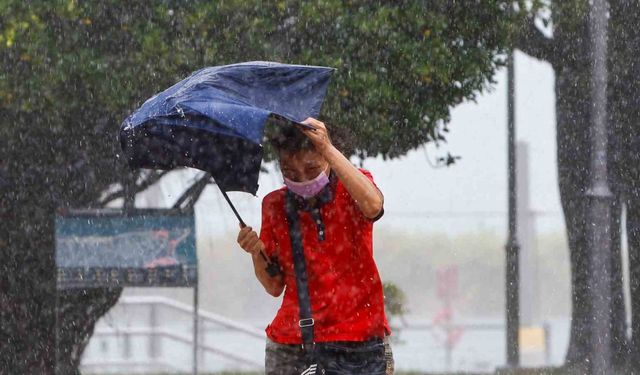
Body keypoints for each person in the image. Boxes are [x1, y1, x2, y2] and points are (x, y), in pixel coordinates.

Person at [237, 117, 394, 375]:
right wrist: (255, 252)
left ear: (328, 162)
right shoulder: (275, 205)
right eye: (290, 172)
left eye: (311, 170)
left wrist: (328, 148)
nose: (302, 180)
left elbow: (374, 206)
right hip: (294, 343)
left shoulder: (353, 187)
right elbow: (274, 286)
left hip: (362, 341)